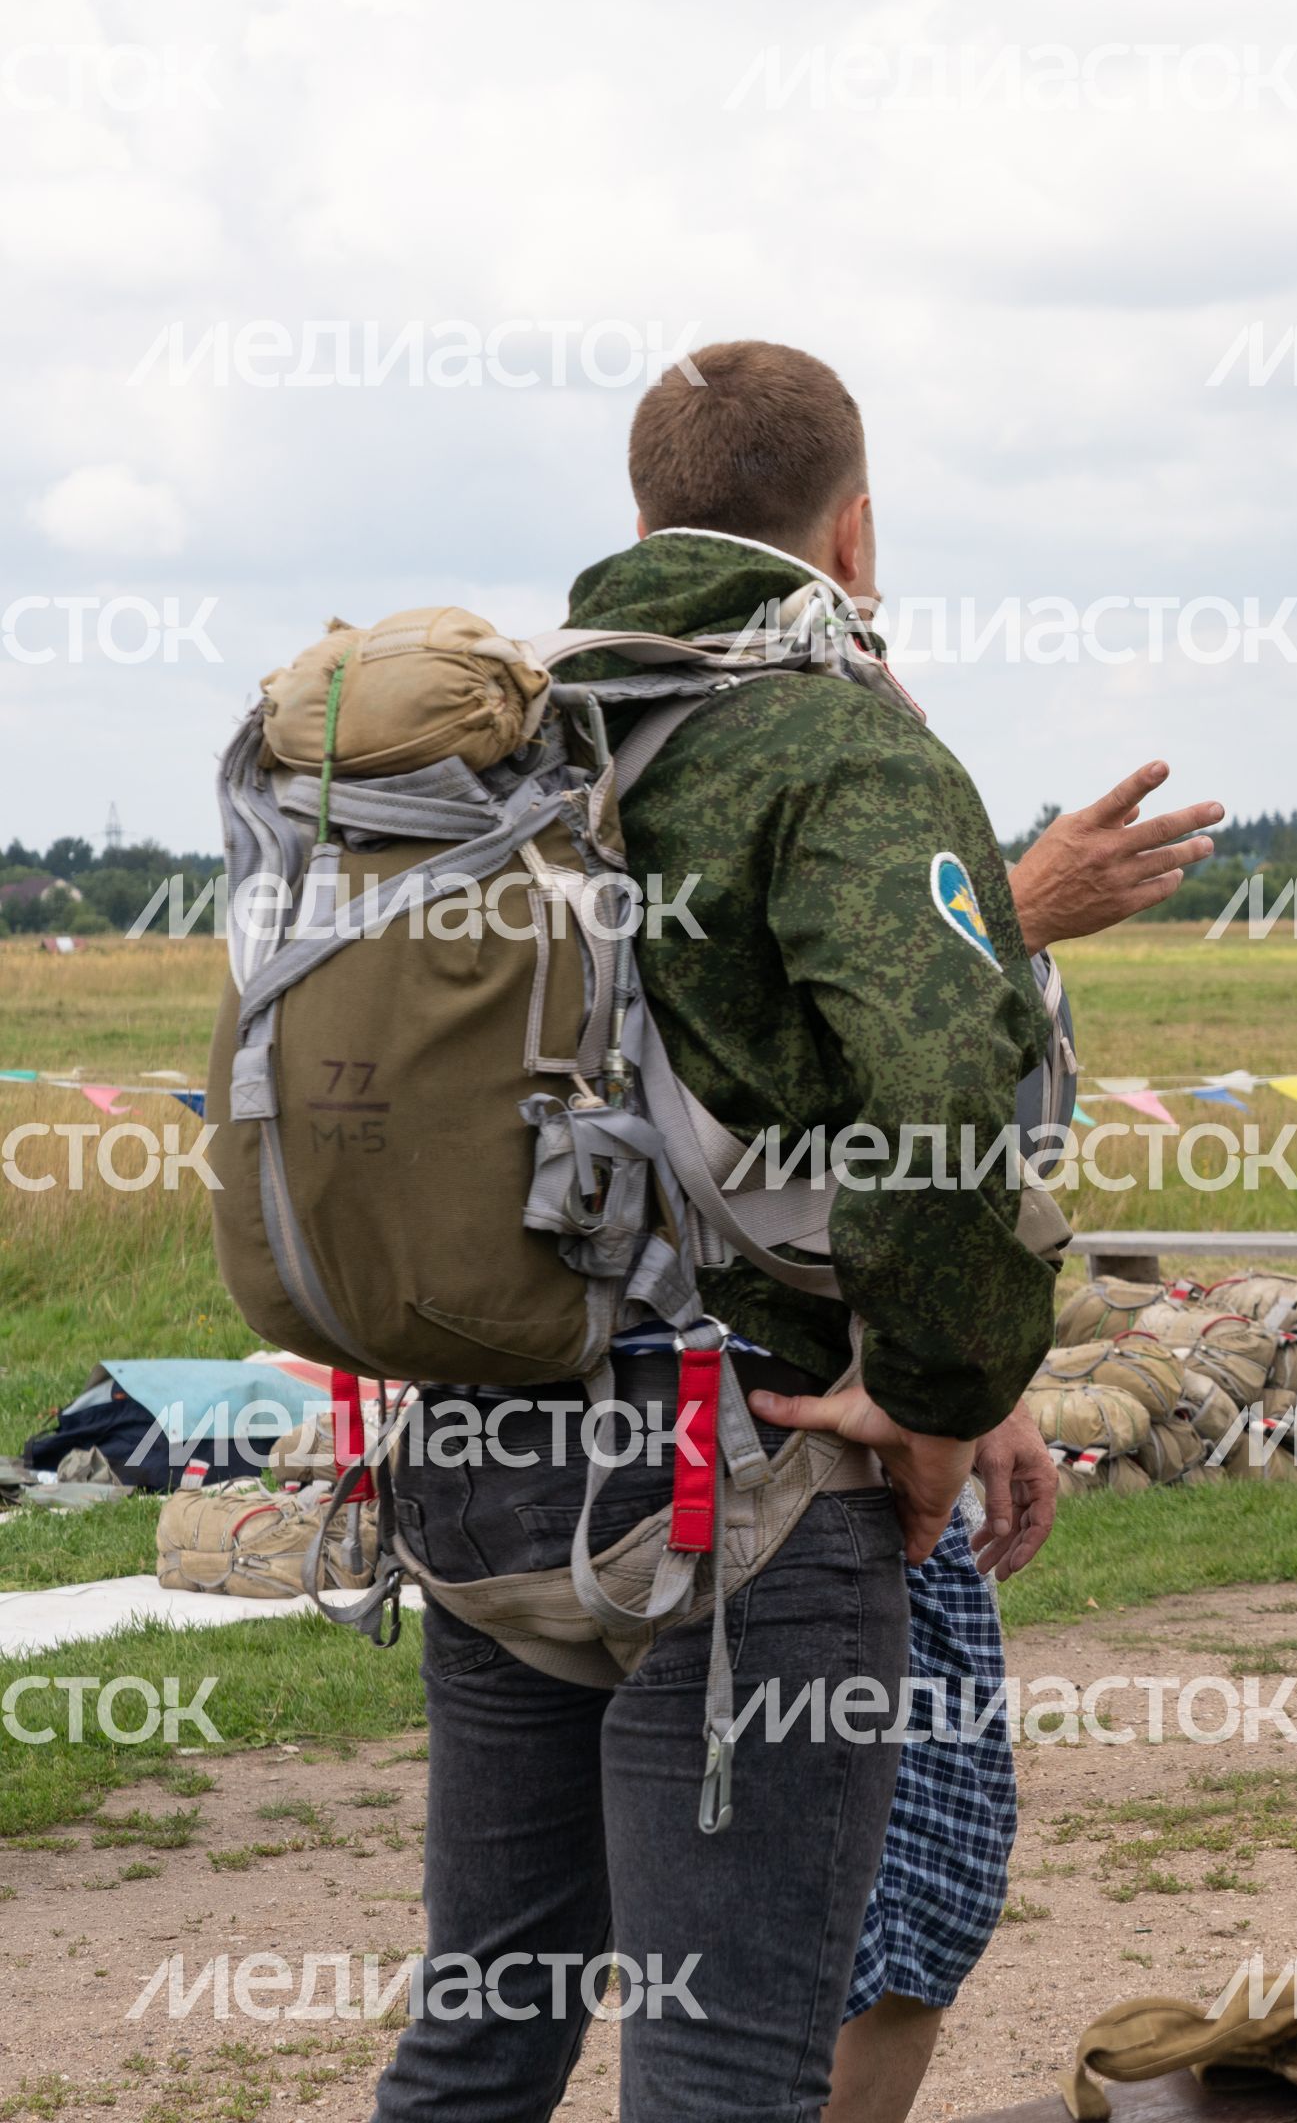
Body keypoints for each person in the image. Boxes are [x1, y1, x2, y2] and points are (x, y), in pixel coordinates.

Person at [376, 342, 1067, 2122]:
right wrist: (933, 1388)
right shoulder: (842, 745)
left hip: (477, 1452)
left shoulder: (498, 744)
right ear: (853, 531)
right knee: (729, 2068)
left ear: (638, 518)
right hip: (742, 1483)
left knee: (479, 2039)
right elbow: (940, 1099)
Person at [826, 765, 1224, 2123]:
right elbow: (797, 1110)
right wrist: (1010, 914)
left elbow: (960, 1178)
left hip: (876, 1411)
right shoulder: (762, 804)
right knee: (849, 1897)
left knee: (911, 1886)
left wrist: (979, 1383)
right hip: (810, 1455)